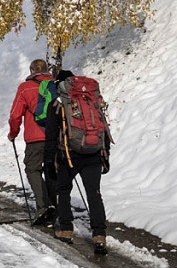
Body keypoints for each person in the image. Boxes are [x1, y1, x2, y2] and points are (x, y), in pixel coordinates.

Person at [43, 70, 111, 254]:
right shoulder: (93, 101)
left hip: (68, 156)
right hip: (94, 154)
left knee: (63, 191)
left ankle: (66, 229)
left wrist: (49, 161)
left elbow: (50, 137)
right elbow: (103, 128)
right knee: (94, 194)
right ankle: (99, 234)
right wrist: (106, 155)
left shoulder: (56, 105)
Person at [7, 59, 57, 225]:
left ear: (31, 70)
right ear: (46, 69)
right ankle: (56, 207)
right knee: (52, 170)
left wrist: (13, 133)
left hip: (35, 138)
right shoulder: (56, 85)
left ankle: (44, 206)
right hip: (56, 137)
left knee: (32, 169)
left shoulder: (25, 88)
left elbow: (15, 115)